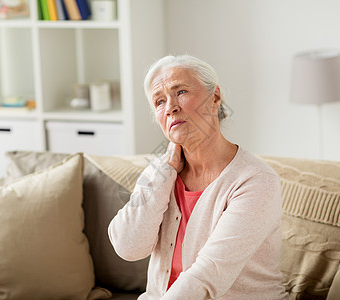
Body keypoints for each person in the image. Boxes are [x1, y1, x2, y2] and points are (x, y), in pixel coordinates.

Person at [108, 55, 288, 299]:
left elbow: (208, 274)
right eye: (159, 102)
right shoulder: (160, 171)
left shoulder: (255, 180)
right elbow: (128, 246)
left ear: (214, 98)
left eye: (180, 91)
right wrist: (165, 172)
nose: (170, 107)